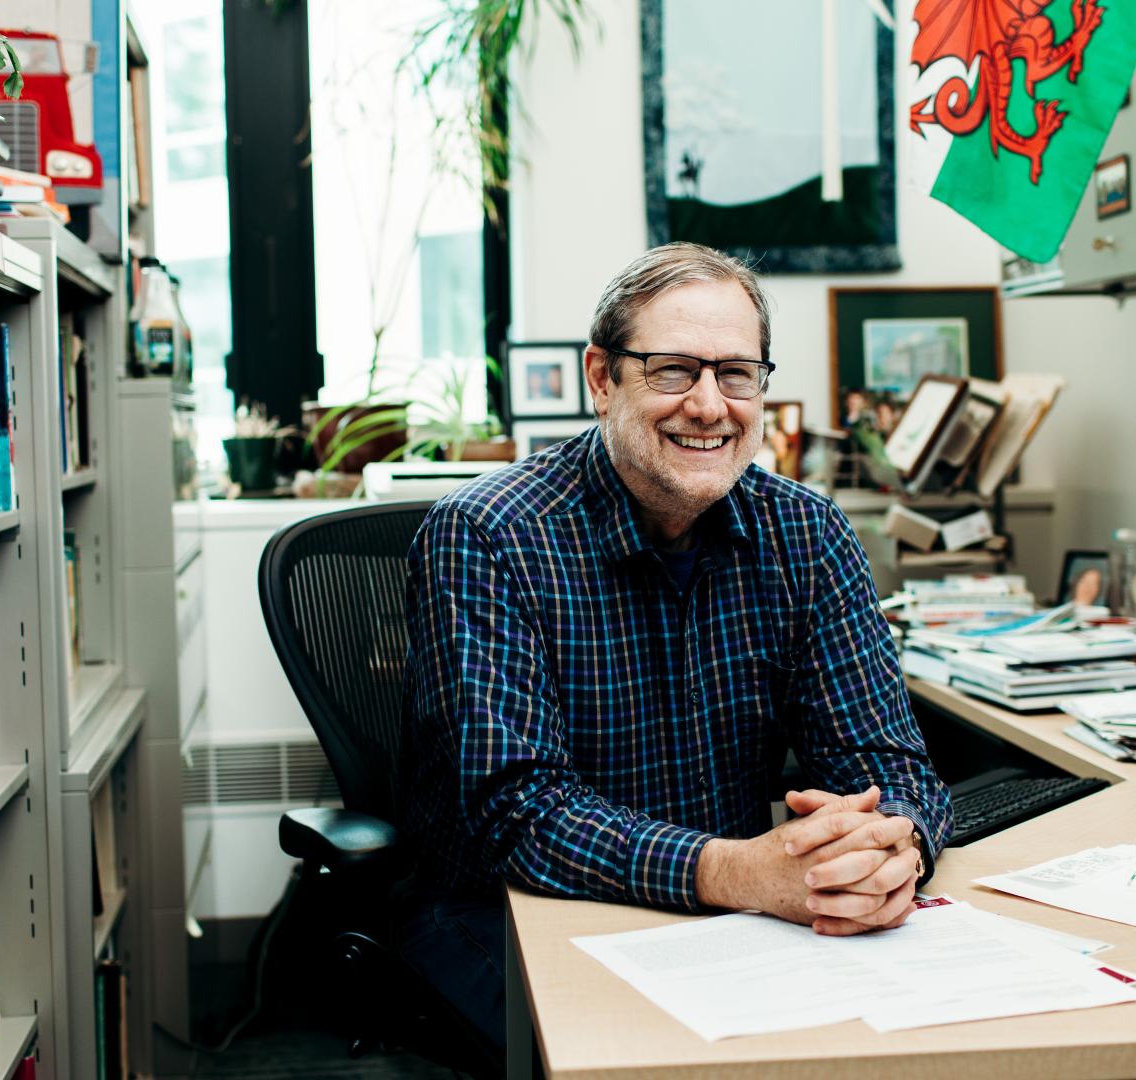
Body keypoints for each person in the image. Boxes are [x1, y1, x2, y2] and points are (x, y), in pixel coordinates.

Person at [398, 242, 951, 1053]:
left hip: (733, 920)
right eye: (671, 370)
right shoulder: (485, 536)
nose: (709, 405)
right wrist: (740, 874)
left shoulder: (808, 533)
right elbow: (518, 815)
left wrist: (892, 847)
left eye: (736, 374)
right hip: (512, 908)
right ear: (601, 377)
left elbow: (891, 765)